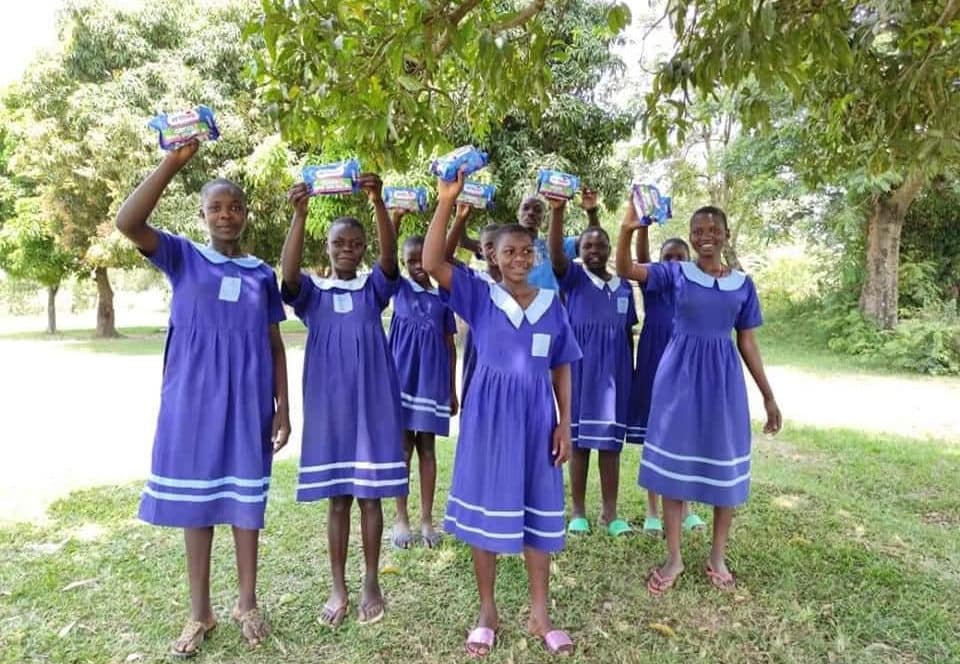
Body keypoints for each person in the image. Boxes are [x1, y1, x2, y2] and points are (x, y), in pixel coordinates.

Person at [116, 141, 290, 656]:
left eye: (234, 206)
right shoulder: (182, 256)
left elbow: (275, 344)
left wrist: (283, 405)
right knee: (197, 505)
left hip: (248, 401)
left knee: (243, 504)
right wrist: (173, 162)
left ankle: (247, 602)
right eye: (216, 207)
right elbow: (128, 222)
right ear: (202, 214)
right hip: (192, 398)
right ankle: (200, 613)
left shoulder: (261, 274)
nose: (226, 214)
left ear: (246, 213)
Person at [423, 170, 582, 657]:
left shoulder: (552, 305)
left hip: (537, 419)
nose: (518, 258)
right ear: (492, 256)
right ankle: (487, 610)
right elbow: (432, 261)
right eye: (508, 251)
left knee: (538, 513)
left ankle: (540, 614)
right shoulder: (478, 294)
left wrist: (565, 423)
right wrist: (447, 200)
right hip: (489, 418)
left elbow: (562, 369)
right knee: (487, 512)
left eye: (525, 252)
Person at [615, 201, 782, 595]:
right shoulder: (676, 274)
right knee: (673, 473)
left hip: (723, 381)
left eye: (713, 230)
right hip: (678, 379)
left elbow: (747, 341)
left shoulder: (743, 284)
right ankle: (674, 558)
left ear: (725, 234)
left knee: (725, 464)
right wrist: (626, 230)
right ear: (691, 237)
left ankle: (717, 557)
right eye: (698, 231)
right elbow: (626, 270)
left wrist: (768, 396)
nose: (706, 237)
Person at [281, 175, 404, 627]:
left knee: (370, 499)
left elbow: (391, 261)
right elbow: (288, 278)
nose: (347, 249)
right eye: (339, 243)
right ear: (328, 248)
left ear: (363, 248)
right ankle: (338, 585)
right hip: (329, 405)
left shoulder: (374, 289)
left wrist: (377, 203)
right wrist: (299, 215)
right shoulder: (313, 294)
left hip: (372, 404)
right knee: (338, 501)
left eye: (355, 243)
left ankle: (371, 580)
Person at [547, 197, 636, 538]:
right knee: (581, 444)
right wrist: (557, 210)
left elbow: (627, 333)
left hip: (615, 377)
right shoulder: (574, 280)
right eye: (587, 245)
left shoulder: (625, 287)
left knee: (611, 446)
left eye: (600, 244)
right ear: (578, 251)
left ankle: (610, 513)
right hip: (581, 374)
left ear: (611, 248)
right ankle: (579, 511)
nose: (594, 250)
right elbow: (556, 256)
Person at [627, 225, 706, 536]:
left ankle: (686, 508)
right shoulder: (654, 283)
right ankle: (651, 510)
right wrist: (642, 226)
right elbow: (642, 258)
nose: (673, 262)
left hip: (685, 365)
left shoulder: (695, 286)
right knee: (654, 434)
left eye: (680, 257)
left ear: (690, 260)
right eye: (667, 257)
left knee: (683, 437)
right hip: (653, 362)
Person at [387, 209, 459, 549]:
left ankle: (428, 518)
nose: (417, 265)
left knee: (427, 448)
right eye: (409, 260)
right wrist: (394, 219)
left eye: (421, 259)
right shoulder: (398, 289)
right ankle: (401, 518)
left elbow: (450, 346)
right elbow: (383, 259)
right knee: (401, 448)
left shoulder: (443, 297)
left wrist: (452, 389)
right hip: (400, 381)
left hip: (432, 384)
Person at [522, 188, 599, 291]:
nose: (531, 213)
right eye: (526, 208)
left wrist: (591, 212)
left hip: (551, 306)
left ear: (544, 217)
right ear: (518, 213)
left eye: (537, 210)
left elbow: (591, 240)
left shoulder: (555, 246)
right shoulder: (505, 247)